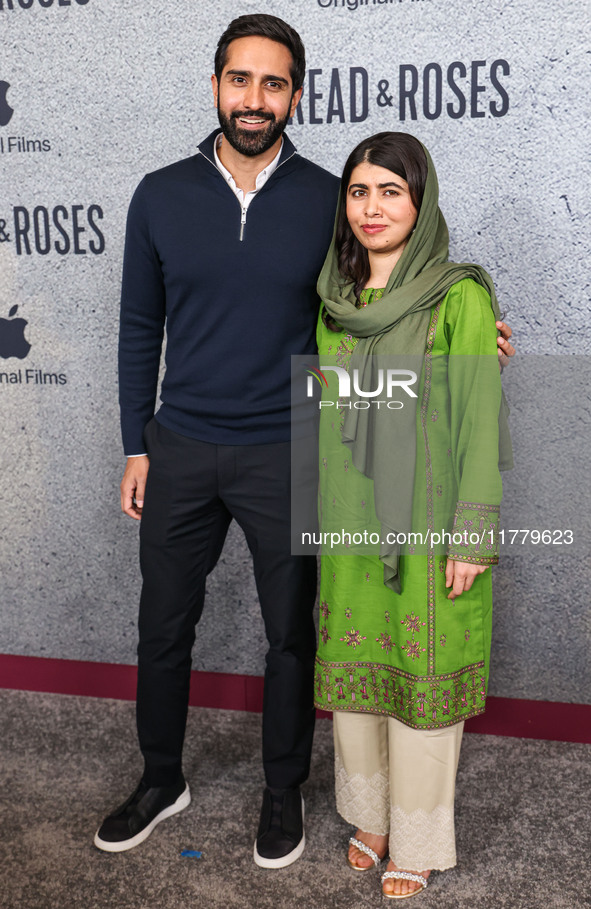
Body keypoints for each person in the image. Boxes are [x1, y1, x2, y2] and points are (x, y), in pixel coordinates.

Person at [94, 14, 515, 868]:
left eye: (273, 83)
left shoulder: (331, 197)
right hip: (178, 446)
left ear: (295, 94)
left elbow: (372, 299)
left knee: (293, 633)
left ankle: (280, 790)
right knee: (161, 625)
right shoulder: (159, 194)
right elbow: (140, 326)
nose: (255, 99)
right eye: (240, 80)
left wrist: (468, 334)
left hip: (290, 453)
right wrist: (137, 443)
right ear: (214, 86)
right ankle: (160, 775)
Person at [312, 131, 512, 898]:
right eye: (358, 191)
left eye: (390, 192)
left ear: (419, 202)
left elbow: (477, 419)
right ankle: (371, 817)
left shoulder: (458, 295)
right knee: (358, 683)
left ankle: (420, 837)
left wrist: (472, 534)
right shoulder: (335, 297)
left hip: (430, 526)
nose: (372, 208)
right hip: (348, 521)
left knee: (421, 681)